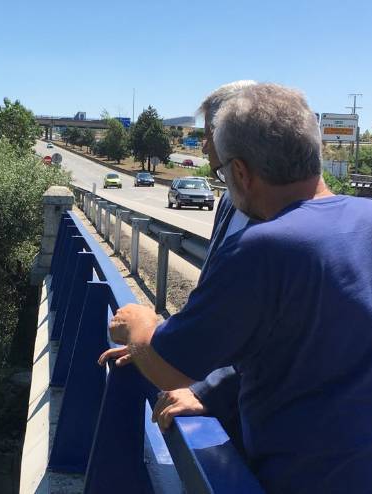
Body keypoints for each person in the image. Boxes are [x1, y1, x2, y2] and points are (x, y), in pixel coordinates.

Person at [99, 83, 372, 493]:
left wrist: (140, 325)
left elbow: (167, 368)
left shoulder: (264, 247)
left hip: (301, 479)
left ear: (241, 173)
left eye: (222, 173)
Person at [152, 81, 256, 454]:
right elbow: (210, 298)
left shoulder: (278, 219)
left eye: (210, 133)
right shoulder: (228, 202)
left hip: (251, 415)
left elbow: (273, 338)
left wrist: (207, 390)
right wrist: (153, 344)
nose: (205, 145)